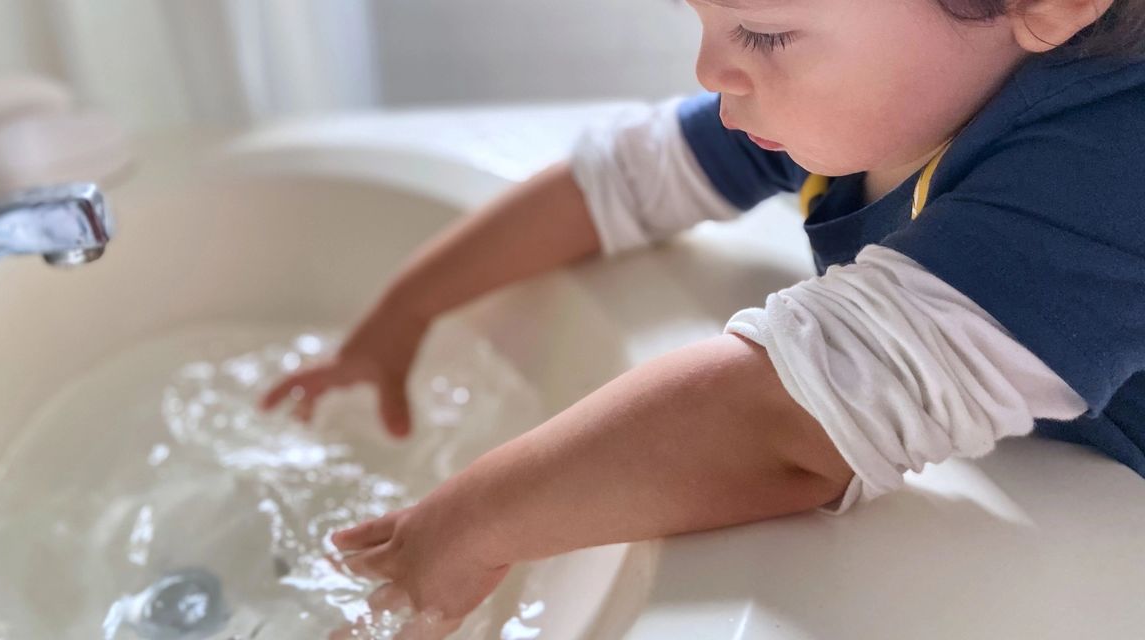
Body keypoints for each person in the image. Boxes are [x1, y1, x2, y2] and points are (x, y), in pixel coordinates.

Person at [262, 0, 1145, 636]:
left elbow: (785, 423)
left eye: (760, 32)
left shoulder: (1113, 163)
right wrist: (403, 315)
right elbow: (631, 176)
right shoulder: (901, 83)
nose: (711, 71)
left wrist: (460, 527)